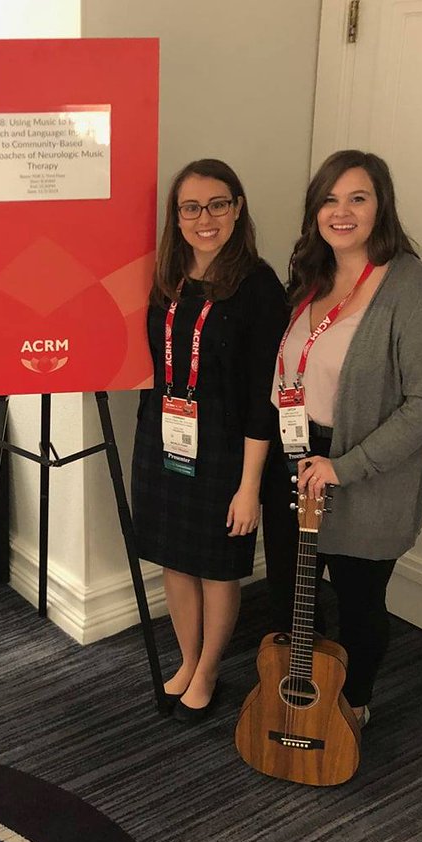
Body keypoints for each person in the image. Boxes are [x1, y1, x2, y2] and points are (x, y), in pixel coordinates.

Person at [262, 150, 422, 726]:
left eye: (357, 198)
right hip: (294, 457)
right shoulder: (311, 276)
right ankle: (303, 688)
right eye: (329, 199)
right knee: (292, 595)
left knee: (359, 602)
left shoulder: (417, 289)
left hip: (363, 471)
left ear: (381, 206)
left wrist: (344, 467)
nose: (341, 211)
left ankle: (352, 706)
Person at [131, 158, 288, 719]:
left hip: (225, 449)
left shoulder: (259, 286)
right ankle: (188, 657)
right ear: (176, 217)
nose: (205, 219)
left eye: (217, 205)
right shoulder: (165, 277)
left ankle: (210, 668)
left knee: (217, 566)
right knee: (175, 558)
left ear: (237, 208)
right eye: (191, 208)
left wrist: (250, 487)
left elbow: (263, 397)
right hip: (163, 440)